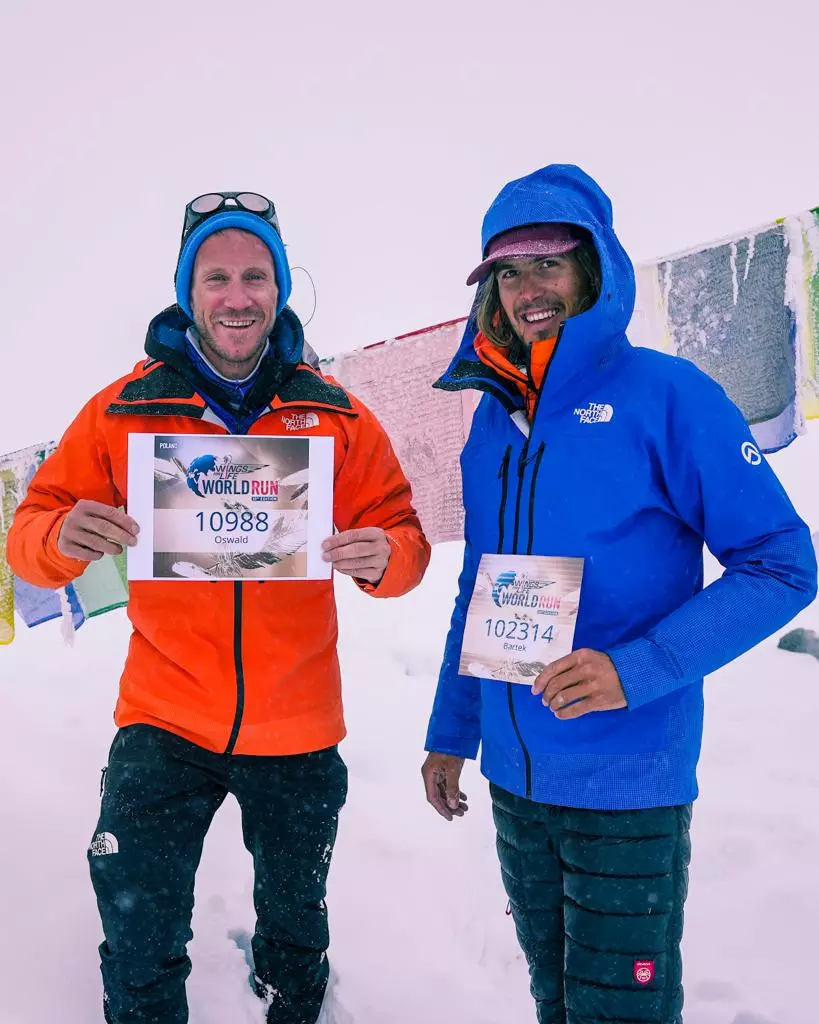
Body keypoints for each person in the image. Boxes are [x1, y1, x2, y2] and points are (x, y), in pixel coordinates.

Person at [7, 191, 430, 1024]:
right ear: (187, 290)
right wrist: (63, 536)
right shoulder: (123, 410)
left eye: (255, 276)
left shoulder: (335, 413)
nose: (237, 296)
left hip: (299, 727)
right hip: (164, 722)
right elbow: (26, 536)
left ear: (278, 288)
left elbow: (402, 536)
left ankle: (292, 1006)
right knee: (136, 930)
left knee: (296, 931)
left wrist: (387, 559)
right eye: (216, 277)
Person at [421, 164, 817, 1023]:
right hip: (517, 782)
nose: (528, 288)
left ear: (594, 268)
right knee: (556, 1002)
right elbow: (479, 590)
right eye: (507, 272)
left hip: (627, 783)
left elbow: (783, 562)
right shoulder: (492, 420)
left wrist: (633, 669)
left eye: (549, 264)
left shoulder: (667, 396)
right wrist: (453, 731)